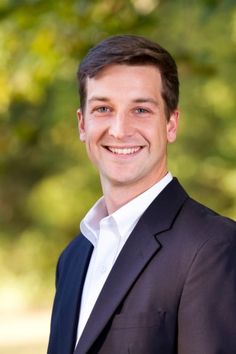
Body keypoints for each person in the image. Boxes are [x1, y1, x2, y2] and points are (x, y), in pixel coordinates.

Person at [47, 35, 236, 354]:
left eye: (141, 110)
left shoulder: (213, 248)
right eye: (103, 108)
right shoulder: (73, 257)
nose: (119, 129)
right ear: (82, 124)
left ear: (171, 124)